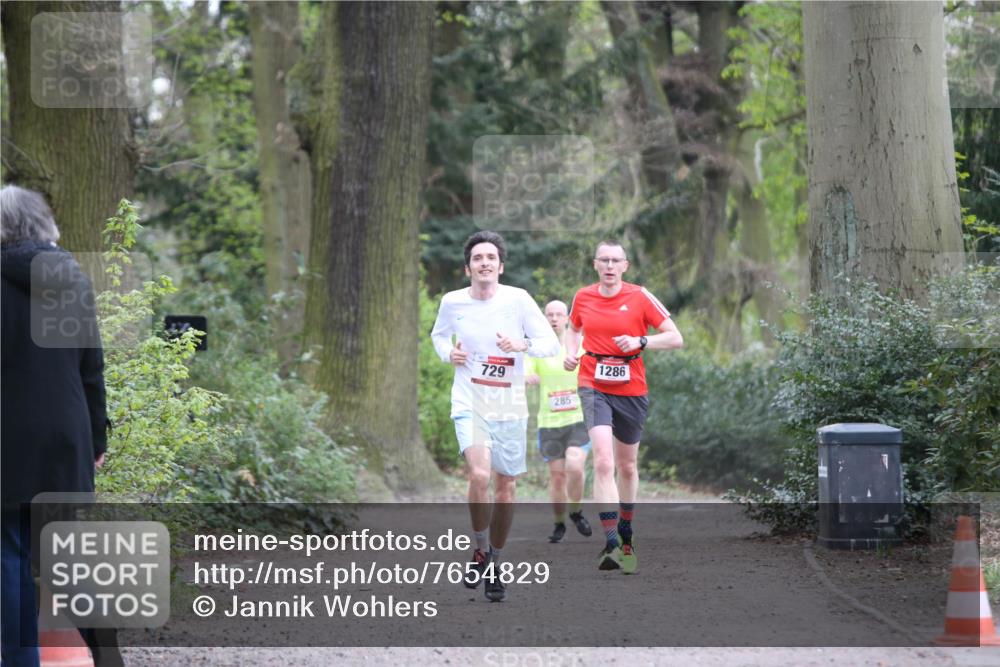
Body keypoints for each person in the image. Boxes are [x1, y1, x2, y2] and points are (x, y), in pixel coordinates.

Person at [1, 185, 114, 666]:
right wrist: (97, 438)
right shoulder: (73, 280)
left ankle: (22, 662)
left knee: (9, 553)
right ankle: (106, 657)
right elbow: (92, 369)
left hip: (8, 439)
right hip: (68, 437)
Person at [431, 230, 559, 602]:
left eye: (490, 258)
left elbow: (549, 343)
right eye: (477, 258)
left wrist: (523, 344)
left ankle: (496, 561)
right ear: (467, 268)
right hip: (470, 399)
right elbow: (438, 337)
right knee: (480, 474)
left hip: (509, 405)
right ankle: (479, 548)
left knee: (506, 488)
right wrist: (447, 354)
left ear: (500, 267)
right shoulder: (453, 302)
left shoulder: (518, 300)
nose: (484, 262)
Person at [563, 240, 683, 574]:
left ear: (625, 265)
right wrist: (570, 353)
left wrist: (642, 341)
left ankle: (627, 531)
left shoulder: (640, 296)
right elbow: (573, 330)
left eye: (616, 261)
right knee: (603, 462)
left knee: (626, 467)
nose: (610, 266)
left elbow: (676, 337)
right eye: (604, 260)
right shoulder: (583, 297)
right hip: (593, 383)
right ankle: (611, 541)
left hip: (632, 387)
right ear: (595, 264)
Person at [524, 300, 592, 543]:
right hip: (549, 421)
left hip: (578, 418)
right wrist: (528, 376)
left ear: (567, 318)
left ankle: (576, 511)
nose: (554, 318)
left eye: (559, 314)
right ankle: (559, 522)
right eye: (549, 314)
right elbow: (526, 368)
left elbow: (594, 368)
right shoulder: (538, 347)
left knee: (574, 466)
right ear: (544, 318)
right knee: (557, 476)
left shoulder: (581, 344)